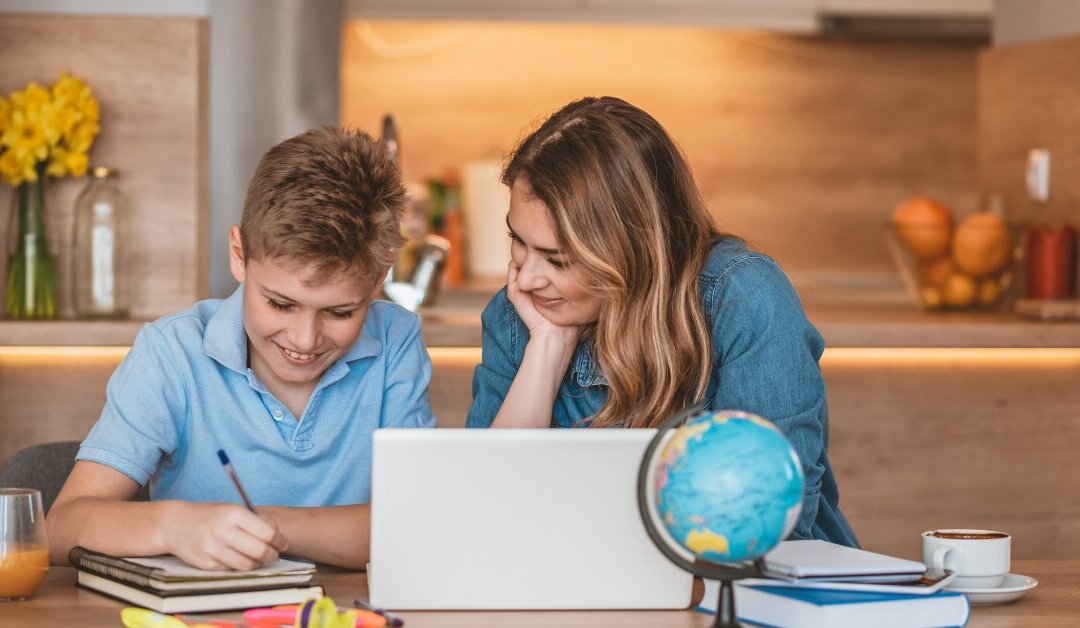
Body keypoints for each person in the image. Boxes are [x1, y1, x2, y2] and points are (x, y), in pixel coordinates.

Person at [466, 96, 857, 546]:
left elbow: (775, 521)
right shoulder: (519, 314)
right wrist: (548, 349)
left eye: (559, 259)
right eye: (519, 240)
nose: (529, 278)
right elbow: (483, 512)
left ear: (633, 248)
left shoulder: (745, 297)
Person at [48, 127, 436, 570]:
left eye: (341, 312)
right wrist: (172, 525)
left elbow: (416, 527)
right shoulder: (173, 352)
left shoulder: (396, 342)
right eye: (279, 303)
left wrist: (255, 523)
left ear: (379, 278)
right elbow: (61, 529)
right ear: (239, 253)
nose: (304, 340)